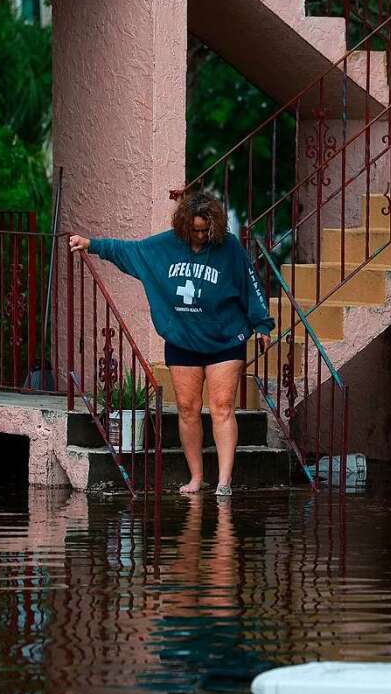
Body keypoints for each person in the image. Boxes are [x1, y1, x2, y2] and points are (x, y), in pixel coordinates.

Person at [68, 192, 274, 496]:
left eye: (206, 230)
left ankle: (224, 482)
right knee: (188, 408)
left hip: (226, 338)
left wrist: (262, 324)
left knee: (222, 407)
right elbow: (131, 252)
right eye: (195, 230)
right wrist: (93, 245)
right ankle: (196, 477)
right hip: (183, 339)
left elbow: (250, 282)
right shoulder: (165, 246)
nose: (201, 236)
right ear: (183, 225)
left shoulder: (229, 247)